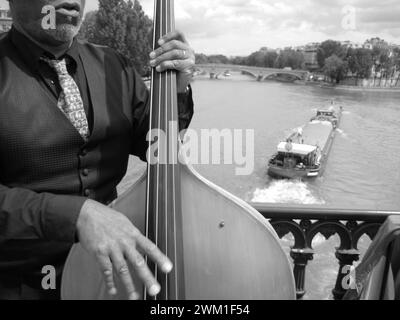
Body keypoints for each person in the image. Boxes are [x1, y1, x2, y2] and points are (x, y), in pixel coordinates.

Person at [0, 0, 195, 300]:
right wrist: (74, 215)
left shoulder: (115, 66)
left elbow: (161, 148)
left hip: (108, 283)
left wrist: (177, 89)